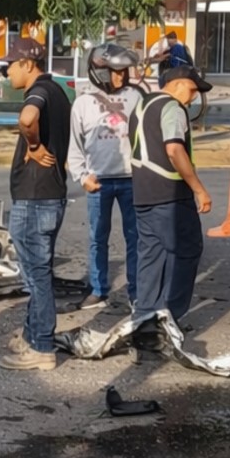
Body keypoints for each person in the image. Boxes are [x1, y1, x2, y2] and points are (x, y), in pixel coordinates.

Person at [0, 38, 72, 372]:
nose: (7, 73)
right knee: (38, 271)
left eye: (10, 66)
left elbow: (28, 119)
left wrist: (33, 144)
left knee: (36, 277)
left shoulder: (39, 91)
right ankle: (32, 334)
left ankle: (42, 346)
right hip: (49, 195)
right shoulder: (58, 91)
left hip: (35, 198)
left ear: (28, 64)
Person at [128, 65, 213, 329]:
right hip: (171, 196)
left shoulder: (142, 105)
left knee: (151, 257)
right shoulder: (172, 108)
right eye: (192, 90)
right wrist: (198, 189)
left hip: (143, 194)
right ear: (178, 84)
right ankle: (169, 318)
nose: (193, 97)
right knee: (186, 251)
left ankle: (144, 318)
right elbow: (174, 149)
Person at [68, 44, 143, 310]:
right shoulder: (83, 104)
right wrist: (82, 176)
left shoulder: (136, 97)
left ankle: (137, 292)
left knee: (135, 237)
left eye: (124, 71)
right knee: (98, 238)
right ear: (100, 72)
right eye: (115, 71)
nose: (121, 77)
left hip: (131, 179)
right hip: (98, 181)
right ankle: (98, 290)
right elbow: (75, 146)